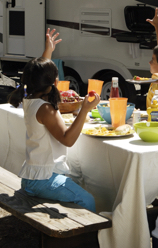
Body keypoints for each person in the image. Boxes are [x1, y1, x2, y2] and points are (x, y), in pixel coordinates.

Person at [8, 29, 99, 211]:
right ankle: (87, 238)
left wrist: (48, 52)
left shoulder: (28, 98)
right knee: (88, 201)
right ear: (54, 81)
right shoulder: (45, 109)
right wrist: (84, 109)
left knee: (76, 185)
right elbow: (68, 140)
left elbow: (38, 74)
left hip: (33, 176)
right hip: (43, 180)